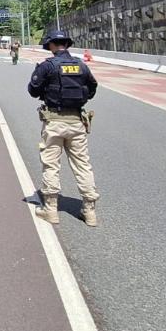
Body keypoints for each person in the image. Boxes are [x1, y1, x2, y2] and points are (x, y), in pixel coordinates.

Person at [27, 30, 100, 227]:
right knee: (82, 164)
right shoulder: (80, 65)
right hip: (77, 121)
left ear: (51, 45)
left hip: (54, 121)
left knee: (51, 164)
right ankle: (90, 211)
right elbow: (92, 87)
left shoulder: (47, 66)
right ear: (66, 44)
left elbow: (33, 90)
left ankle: (50, 210)